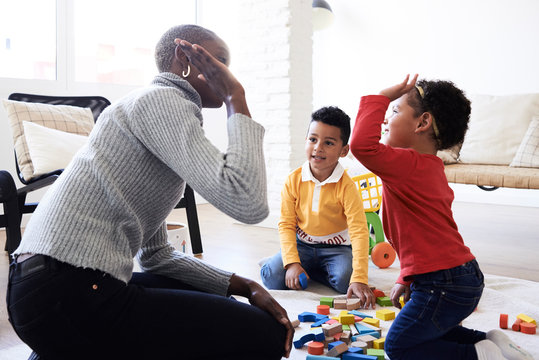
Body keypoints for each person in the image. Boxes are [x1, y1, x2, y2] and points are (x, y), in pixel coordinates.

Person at [7, 24, 293, 360]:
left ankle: (59, 346)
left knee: (219, 301)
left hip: (40, 291)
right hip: (70, 291)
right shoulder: (163, 101)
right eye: (220, 61)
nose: (227, 73)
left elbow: (156, 256)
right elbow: (248, 201)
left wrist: (247, 285)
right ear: (184, 58)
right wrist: (235, 96)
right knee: (265, 333)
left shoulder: (149, 109)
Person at [350, 74, 533, 360]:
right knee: (428, 330)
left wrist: (381, 97)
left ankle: (479, 355)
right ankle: (491, 341)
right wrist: (407, 277)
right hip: (460, 277)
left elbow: (362, 145)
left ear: (422, 123)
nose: (386, 120)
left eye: (395, 111)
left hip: (443, 284)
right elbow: (426, 238)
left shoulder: (405, 164)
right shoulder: (430, 167)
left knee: (397, 345)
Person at [260, 106, 376, 308]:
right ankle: (297, 264)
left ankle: (313, 270)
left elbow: (359, 231)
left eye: (328, 143)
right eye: (312, 139)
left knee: (345, 281)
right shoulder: (294, 180)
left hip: (337, 248)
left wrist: (359, 278)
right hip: (302, 245)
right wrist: (293, 263)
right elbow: (286, 224)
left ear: (343, 150)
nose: (318, 147)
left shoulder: (347, 187)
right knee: (272, 278)